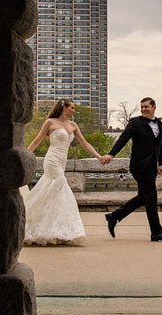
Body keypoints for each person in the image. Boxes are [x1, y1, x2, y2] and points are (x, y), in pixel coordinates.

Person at [20, 99, 102, 245]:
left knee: (51, 192)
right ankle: (64, 229)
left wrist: (98, 157)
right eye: (71, 107)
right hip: (52, 160)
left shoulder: (73, 125)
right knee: (61, 185)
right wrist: (24, 155)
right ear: (63, 107)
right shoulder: (50, 122)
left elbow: (85, 143)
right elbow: (37, 141)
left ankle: (50, 228)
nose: (74, 110)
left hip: (62, 161)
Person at [100, 97, 162, 242]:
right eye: (142, 107)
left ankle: (114, 216)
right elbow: (123, 138)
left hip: (152, 166)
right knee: (151, 197)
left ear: (154, 107)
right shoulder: (135, 122)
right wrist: (111, 154)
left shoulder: (161, 124)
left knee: (143, 197)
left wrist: (161, 164)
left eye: (146, 107)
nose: (143, 109)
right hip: (139, 166)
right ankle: (156, 232)